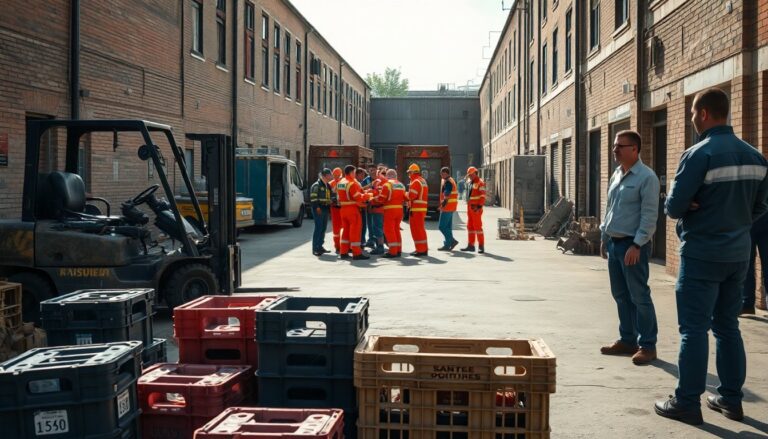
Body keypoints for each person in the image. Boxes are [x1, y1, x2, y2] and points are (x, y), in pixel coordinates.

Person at [655, 88, 768, 425]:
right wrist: (735, 219)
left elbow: (674, 206)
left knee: (693, 329)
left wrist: (692, 206)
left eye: (692, 113)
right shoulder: (756, 157)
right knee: (727, 326)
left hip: (702, 253)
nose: (691, 119)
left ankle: (687, 402)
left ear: (703, 114)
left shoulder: (698, 154)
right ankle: (731, 399)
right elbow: (761, 207)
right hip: (738, 254)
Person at [598, 130, 660, 367]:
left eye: (619, 146)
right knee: (621, 295)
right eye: (614, 146)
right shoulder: (617, 174)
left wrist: (637, 244)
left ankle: (648, 345)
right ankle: (628, 340)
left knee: (639, 296)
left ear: (634, 149)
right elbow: (610, 207)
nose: (615, 150)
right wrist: (604, 236)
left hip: (633, 245)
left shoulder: (647, 178)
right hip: (614, 244)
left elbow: (649, 216)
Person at [337, 165, 371, 260]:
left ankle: (343, 252)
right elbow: (358, 197)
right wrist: (367, 195)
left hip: (343, 210)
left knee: (346, 232)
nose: (355, 174)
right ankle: (357, 253)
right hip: (352, 210)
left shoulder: (341, 182)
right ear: (351, 172)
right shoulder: (352, 183)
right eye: (355, 172)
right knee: (355, 231)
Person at [741, 212, 768, 315]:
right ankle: (746, 304)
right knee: (746, 265)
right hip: (750, 216)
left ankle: (747, 303)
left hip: (748, 216)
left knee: (747, 265)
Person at [377, 169, 406, 258]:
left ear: (387, 176)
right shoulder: (401, 185)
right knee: (396, 230)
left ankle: (392, 251)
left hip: (390, 211)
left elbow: (381, 199)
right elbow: (405, 197)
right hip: (399, 211)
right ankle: (398, 250)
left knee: (389, 231)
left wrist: (374, 197)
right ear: (395, 176)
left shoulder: (387, 185)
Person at [461, 167, 486, 253]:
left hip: (476, 208)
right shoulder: (470, 182)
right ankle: (471, 245)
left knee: (477, 227)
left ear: (475, 173)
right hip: (470, 207)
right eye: (469, 175)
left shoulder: (480, 182)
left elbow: (483, 196)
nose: (470, 176)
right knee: (470, 226)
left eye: (471, 175)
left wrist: (479, 206)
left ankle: (481, 246)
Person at [309, 168, 333, 256]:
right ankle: (315, 248)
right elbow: (313, 198)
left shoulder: (328, 185)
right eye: (330, 175)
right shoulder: (316, 185)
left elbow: (331, 196)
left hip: (325, 209)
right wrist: (317, 208)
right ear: (325, 176)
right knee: (318, 228)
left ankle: (320, 246)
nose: (331, 176)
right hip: (319, 209)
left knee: (323, 228)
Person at [406, 163, 429, 256]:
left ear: (413, 172)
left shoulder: (415, 182)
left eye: (409, 173)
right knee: (420, 229)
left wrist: (405, 194)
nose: (408, 175)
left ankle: (421, 250)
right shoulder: (422, 180)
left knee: (417, 230)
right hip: (420, 209)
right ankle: (421, 249)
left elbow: (412, 196)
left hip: (416, 210)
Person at [437, 166, 459, 251]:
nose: (441, 175)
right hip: (451, 207)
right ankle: (448, 244)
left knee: (442, 227)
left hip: (447, 207)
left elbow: (446, 195)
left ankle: (452, 241)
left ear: (446, 173)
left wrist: (441, 206)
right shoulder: (450, 180)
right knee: (448, 227)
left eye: (442, 174)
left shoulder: (448, 182)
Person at [329, 167, 343, 253]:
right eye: (335, 175)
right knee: (338, 228)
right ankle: (339, 246)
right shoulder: (331, 184)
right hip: (336, 208)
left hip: (338, 207)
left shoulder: (330, 184)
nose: (337, 176)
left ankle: (339, 246)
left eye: (338, 175)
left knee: (338, 228)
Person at [357, 167, 370, 247]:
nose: (363, 176)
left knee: (363, 225)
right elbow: (359, 193)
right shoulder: (356, 183)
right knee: (360, 225)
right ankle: (360, 241)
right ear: (357, 174)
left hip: (362, 207)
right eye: (362, 174)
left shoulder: (360, 182)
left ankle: (362, 240)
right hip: (358, 208)